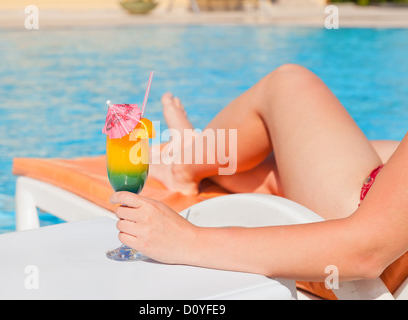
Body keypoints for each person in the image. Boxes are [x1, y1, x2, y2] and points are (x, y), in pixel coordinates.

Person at [110, 64, 407, 283]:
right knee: (283, 159)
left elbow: (366, 251)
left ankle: (185, 165)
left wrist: (187, 240)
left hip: (362, 217)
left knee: (288, 83)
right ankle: (194, 151)